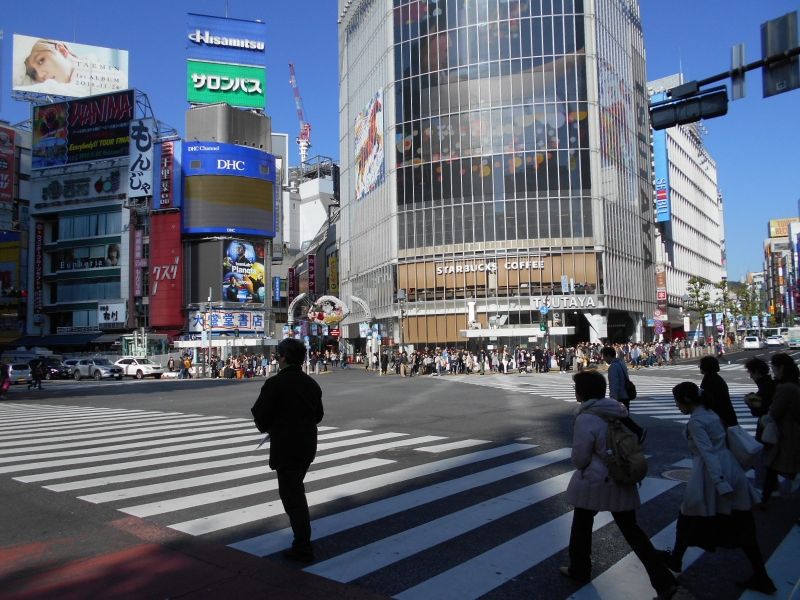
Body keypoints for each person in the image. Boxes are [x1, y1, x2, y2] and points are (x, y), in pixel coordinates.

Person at [561, 370, 677, 599]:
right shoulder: (617, 410)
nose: (575, 391)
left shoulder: (586, 417)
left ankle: (580, 569)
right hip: (621, 476)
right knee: (632, 529)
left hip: (595, 479)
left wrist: (583, 464)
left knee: (582, 524)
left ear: (583, 392)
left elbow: (580, 457)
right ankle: (663, 580)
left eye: (576, 388)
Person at [658, 382, 775, 594]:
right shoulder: (710, 413)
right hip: (729, 467)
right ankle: (761, 575)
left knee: (688, 515)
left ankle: (676, 559)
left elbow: (707, 452)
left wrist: (720, 483)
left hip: (710, 473)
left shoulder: (696, 421)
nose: (676, 406)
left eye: (677, 401)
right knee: (742, 523)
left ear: (686, 400)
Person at [251, 338, 324, 563]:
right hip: (307, 443)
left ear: (283, 357)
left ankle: (302, 545)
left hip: (286, 445)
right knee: (295, 489)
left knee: (292, 495)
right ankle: (302, 540)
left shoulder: (276, 384)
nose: (277, 358)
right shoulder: (311, 384)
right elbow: (319, 415)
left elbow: (260, 416)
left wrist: (276, 424)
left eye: (278, 354)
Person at [760, 353, 800, 508]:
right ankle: (766, 498)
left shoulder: (785, 389)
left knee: (776, 466)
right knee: (775, 467)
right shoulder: (794, 385)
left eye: (774, 368)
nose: (773, 372)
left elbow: (774, 412)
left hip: (788, 434)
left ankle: (767, 498)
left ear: (781, 368)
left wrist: (765, 417)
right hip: (790, 433)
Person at [602, 346, 646, 443]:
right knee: (623, 418)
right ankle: (626, 439)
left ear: (608, 355)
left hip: (620, 396)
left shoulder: (613, 367)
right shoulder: (621, 363)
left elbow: (614, 384)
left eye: (604, 357)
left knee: (623, 419)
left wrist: (613, 399)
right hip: (626, 394)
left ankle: (637, 432)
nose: (604, 359)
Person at [698, 356, 738, 428]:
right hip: (726, 415)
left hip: (721, 417)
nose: (699, 367)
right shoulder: (714, 377)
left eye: (701, 365)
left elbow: (709, 399)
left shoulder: (710, 380)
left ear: (705, 366)